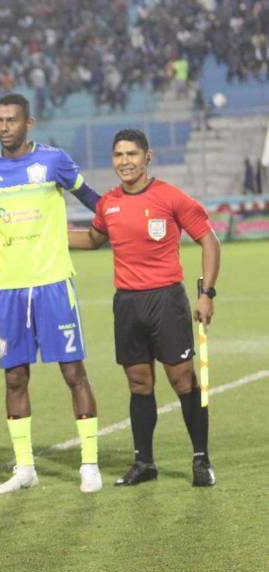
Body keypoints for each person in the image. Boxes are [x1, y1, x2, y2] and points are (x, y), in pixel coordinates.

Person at [0, 93, 103, 494]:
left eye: (11, 120)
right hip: (9, 289)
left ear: (29, 123)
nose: (4, 127)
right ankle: (25, 469)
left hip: (54, 282)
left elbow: (93, 200)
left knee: (73, 372)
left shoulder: (54, 161)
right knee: (14, 378)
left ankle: (89, 464)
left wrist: (118, 221)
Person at [69, 128, 220, 487]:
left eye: (132, 154)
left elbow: (209, 241)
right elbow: (92, 240)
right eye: (119, 155)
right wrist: (47, 233)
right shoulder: (108, 203)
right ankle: (144, 463)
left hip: (166, 300)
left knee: (182, 380)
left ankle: (201, 459)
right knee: (139, 383)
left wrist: (206, 293)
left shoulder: (170, 197)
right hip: (127, 303)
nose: (125, 162)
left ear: (147, 157)